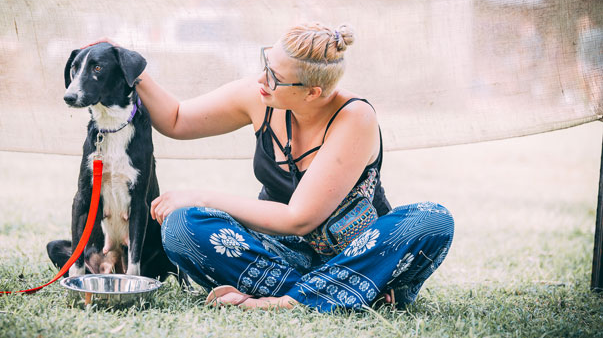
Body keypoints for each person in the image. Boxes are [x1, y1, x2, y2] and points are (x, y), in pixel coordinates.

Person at [95, 23, 454, 312]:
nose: (261, 80)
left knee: (434, 219)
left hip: (358, 253)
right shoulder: (259, 95)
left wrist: (201, 195)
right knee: (181, 227)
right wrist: (129, 64)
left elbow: (299, 219)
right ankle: (346, 292)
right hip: (279, 254)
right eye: (265, 64)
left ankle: (283, 301)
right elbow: (176, 119)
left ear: (313, 92)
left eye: (274, 77)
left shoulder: (355, 117)